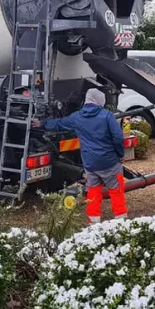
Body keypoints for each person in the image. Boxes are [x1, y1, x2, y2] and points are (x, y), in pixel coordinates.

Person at [31, 88, 128, 223]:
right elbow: (118, 137)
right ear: (100, 101)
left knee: (93, 193)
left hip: (90, 164)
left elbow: (60, 123)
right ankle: (121, 221)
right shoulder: (107, 116)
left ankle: (94, 223)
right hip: (109, 162)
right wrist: (120, 153)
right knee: (116, 192)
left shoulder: (77, 117)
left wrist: (42, 123)